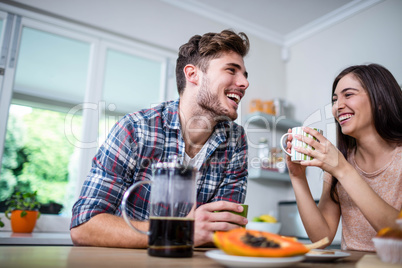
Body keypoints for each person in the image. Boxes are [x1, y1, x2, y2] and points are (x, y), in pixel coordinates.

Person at [70, 29, 251, 248]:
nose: (244, 83)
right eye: (231, 70)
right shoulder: (135, 129)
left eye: (244, 75)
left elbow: (223, 229)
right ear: (193, 74)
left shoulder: (236, 141)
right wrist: (179, 232)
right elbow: (84, 226)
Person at [284, 63, 402, 251]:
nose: (337, 107)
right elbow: (321, 237)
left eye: (348, 95)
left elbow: (398, 235)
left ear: (380, 100)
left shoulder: (340, 163)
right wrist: (297, 177)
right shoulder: (339, 161)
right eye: (334, 100)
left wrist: (342, 169)